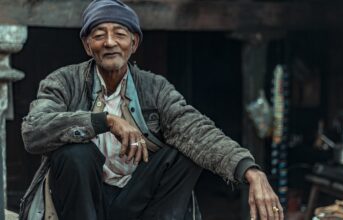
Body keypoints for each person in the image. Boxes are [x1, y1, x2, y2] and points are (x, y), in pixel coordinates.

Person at [20, 0, 283, 219]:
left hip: (133, 199)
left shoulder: (155, 88)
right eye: (99, 35)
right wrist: (105, 121)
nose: (110, 42)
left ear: (133, 44)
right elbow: (33, 131)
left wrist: (251, 171)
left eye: (120, 34)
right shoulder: (63, 81)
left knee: (185, 151)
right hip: (84, 203)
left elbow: (196, 130)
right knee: (75, 153)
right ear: (88, 46)